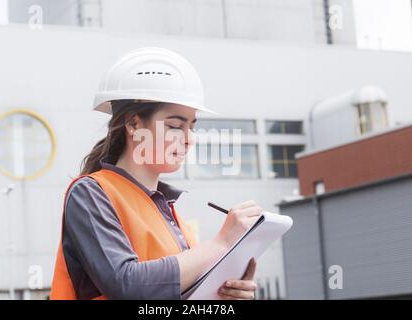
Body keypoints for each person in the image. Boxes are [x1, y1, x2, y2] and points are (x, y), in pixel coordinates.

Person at [50, 47, 263, 300]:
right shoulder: (90, 194)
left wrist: (221, 295)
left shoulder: (170, 215)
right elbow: (126, 285)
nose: (188, 140)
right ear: (133, 123)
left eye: (191, 127)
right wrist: (220, 244)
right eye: (175, 126)